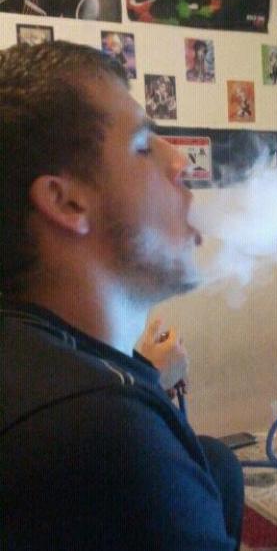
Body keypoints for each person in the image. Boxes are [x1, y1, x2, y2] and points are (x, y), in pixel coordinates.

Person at [0, 41, 243, 550]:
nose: (179, 160)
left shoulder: (32, 352)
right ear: (66, 201)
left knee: (218, 464)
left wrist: (149, 372)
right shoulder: (104, 432)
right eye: (141, 146)